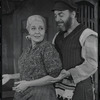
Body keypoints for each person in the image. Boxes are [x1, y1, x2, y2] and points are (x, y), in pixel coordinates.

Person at [2, 15, 65, 100]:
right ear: (28, 30)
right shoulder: (28, 49)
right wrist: (10, 76)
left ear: (45, 30)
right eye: (33, 28)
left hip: (42, 95)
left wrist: (27, 84)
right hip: (24, 94)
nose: (37, 32)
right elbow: (30, 73)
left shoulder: (47, 48)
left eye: (41, 28)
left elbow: (54, 77)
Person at [52, 0, 98, 100]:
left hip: (81, 89)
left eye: (61, 15)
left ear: (73, 14)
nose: (57, 19)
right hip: (61, 88)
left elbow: (92, 64)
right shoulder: (57, 37)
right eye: (55, 16)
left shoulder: (88, 35)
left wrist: (70, 73)